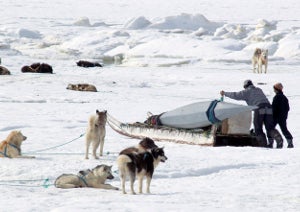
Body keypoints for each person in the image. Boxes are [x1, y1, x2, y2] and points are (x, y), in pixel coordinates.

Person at [220, 79, 283, 148]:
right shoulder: (259, 89)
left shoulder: (247, 91)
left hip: (259, 108)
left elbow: (236, 95)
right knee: (270, 127)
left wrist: (225, 93)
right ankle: (278, 139)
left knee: (258, 128)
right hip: (268, 107)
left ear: (245, 86)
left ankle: (263, 145)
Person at [272, 83, 294, 148]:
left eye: (274, 89)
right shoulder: (284, 98)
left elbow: (274, 108)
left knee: (270, 129)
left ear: (276, 89)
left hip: (276, 117)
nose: (273, 90)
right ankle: (290, 143)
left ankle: (273, 142)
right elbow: (288, 108)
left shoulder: (276, 97)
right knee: (284, 129)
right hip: (283, 117)